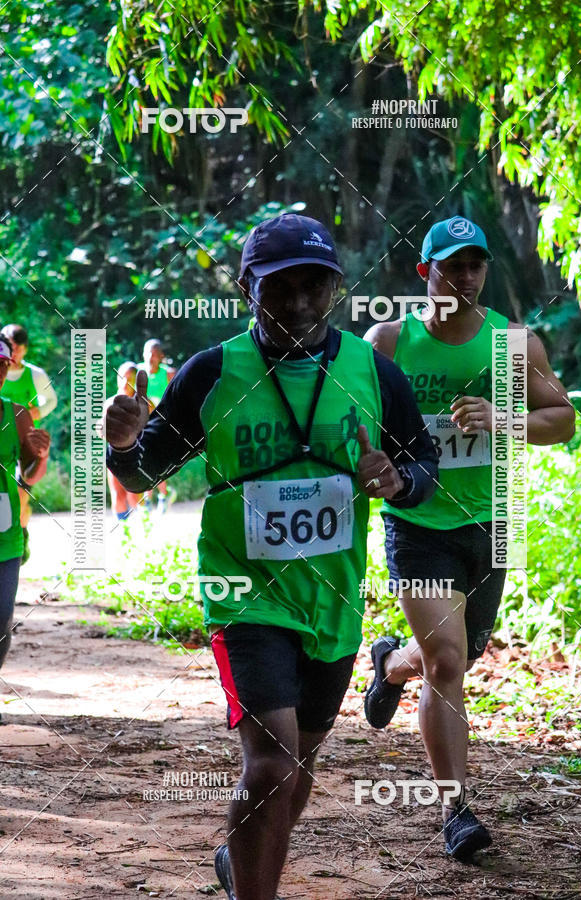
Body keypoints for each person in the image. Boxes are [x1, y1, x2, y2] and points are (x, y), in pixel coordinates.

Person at [105, 213, 439, 900]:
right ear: (247, 290)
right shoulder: (212, 372)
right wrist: (122, 446)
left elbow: (423, 465)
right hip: (243, 593)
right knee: (272, 767)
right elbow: (144, 473)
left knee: (300, 764)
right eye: (279, 288)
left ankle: (243, 859)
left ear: (336, 288)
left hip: (333, 601)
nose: (297, 303)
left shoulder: (371, 372)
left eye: (314, 286)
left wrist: (398, 479)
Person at [362, 215, 576, 860]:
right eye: (452, 265)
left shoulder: (514, 345)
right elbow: (357, 420)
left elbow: (563, 419)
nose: (466, 277)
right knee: (450, 660)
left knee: (449, 656)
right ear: (425, 271)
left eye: (476, 265)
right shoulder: (389, 342)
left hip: (491, 524)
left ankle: (390, 664)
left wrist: (502, 415)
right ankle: (455, 809)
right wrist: (378, 465)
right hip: (417, 523)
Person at [0, 333, 51, 678]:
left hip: (5, 536)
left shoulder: (17, 414)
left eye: (4, 366)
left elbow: (29, 477)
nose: (0, 373)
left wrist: (41, 456)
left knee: (2, 622)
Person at [0, 324, 57, 561]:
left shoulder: (34, 374)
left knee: (19, 496)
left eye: (17, 348)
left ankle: (18, 536)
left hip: (22, 444)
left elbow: (51, 400)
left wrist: (35, 414)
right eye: (10, 346)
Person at [138, 339, 176, 513]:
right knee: (144, 460)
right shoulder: (137, 371)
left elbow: (176, 399)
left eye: (154, 354)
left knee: (156, 461)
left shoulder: (168, 374)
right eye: (147, 353)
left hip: (161, 424)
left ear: (160, 357)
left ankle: (163, 495)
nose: (150, 357)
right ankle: (149, 500)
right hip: (141, 424)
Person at [106, 362, 141, 521]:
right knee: (117, 494)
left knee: (134, 495)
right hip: (114, 453)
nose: (126, 382)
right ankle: (123, 531)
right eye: (123, 378)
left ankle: (141, 528)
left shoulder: (143, 403)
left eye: (130, 378)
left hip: (137, 454)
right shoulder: (110, 403)